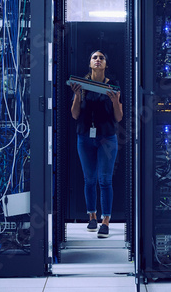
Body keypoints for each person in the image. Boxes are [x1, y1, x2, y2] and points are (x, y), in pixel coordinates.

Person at [70, 50, 123, 238]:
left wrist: (115, 101)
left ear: (106, 65)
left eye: (101, 58)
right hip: (85, 137)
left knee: (105, 180)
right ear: (90, 63)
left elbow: (118, 117)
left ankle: (105, 220)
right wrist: (77, 96)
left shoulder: (113, 87)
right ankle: (91, 217)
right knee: (89, 179)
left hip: (107, 138)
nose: (98, 60)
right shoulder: (82, 85)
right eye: (94, 57)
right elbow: (75, 115)